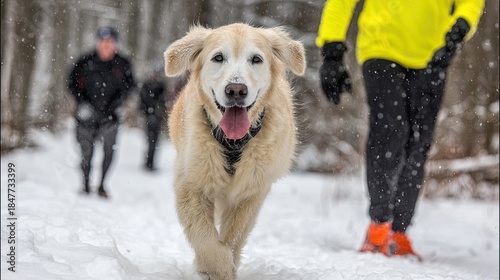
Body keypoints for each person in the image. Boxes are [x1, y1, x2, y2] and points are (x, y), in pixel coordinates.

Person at [317, 0, 484, 258]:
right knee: (389, 132)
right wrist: (332, 50)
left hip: (434, 54)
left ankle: (399, 232)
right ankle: (379, 226)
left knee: (419, 142)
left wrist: (459, 29)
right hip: (381, 48)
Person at [68, 27, 135, 198]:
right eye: (103, 41)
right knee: (86, 152)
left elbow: (130, 87)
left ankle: (102, 185)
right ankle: (85, 184)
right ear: (98, 43)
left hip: (111, 116)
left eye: (110, 42)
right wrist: (82, 103)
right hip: (86, 116)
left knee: (109, 151)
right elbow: (71, 83)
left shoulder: (123, 64)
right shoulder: (84, 61)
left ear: (115, 44)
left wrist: (117, 105)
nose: (106, 45)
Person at [138, 63, 167, 171]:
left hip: (156, 116)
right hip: (150, 116)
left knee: (153, 140)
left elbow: (163, 102)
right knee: (150, 140)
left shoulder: (160, 86)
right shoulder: (147, 85)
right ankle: (148, 162)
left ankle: (150, 162)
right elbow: (142, 101)